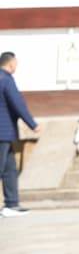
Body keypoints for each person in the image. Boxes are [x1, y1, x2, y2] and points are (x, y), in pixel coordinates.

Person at [0, 52, 40, 217]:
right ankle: (11, 204)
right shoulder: (6, 79)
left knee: (10, 169)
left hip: (6, 134)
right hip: (3, 132)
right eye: (16, 63)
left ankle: (11, 204)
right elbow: (17, 104)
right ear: (11, 64)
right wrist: (32, 124)